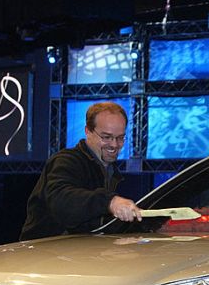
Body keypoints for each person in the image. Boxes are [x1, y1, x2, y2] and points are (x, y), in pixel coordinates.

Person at [19, 101, 142, 240]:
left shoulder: (110, 172)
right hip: (43, 254)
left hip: (77, 254)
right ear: (88, 131)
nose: (114, 144)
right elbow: (62, 201)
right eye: (106, 137)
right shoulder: (66, 161)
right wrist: (110, 202)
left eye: (120, 138)